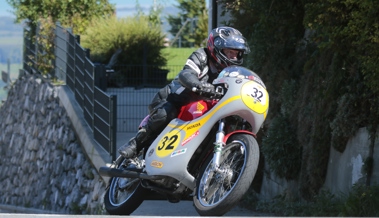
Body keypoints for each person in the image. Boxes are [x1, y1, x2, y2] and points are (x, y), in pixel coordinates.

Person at [118, 26, 251, 159]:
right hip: (175, 99)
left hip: (205, 109)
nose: (233, 56)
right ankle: (135, 144)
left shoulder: (233, 72)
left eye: (236, 53)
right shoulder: (201, 56)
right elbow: (186, 73)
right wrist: (199, 85)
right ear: (216, 48)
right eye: (229, 52)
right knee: (166, 113)